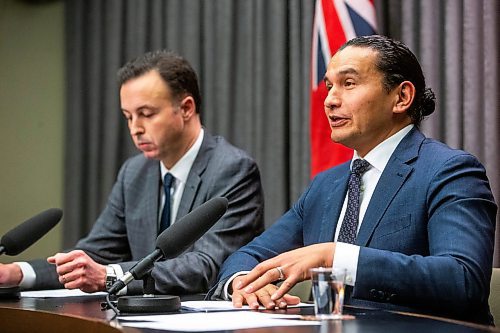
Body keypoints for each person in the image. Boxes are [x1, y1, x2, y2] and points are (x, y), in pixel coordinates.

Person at [209, 35, 497, 325]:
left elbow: (463, 279)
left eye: (348, 84)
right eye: (329, 86)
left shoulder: (449, 171)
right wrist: (243, 283)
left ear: (401, 97)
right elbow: (251, 254)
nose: (331, 100)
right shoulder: (326, 185)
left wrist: (338, 258)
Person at [0, 50, 264, 296]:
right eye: (128, 116)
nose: (135, 128)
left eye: (146, 114)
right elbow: (96, 252)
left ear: (186, 108)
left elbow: (206, 266)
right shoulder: (134, 173)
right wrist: (17, 273)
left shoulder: (232, 169)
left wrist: (110, 276)